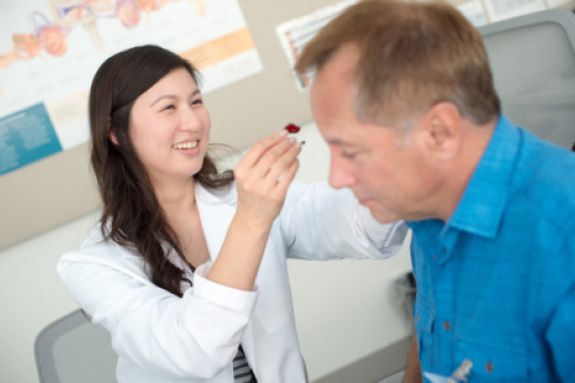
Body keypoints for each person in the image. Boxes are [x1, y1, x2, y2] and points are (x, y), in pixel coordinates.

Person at [57, 45, 406, 383]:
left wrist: (391, 155)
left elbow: (360, 228)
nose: (192, 121)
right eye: (168, 108)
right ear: (115, 133)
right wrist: (251, 220)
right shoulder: (92, 264)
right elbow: (194, 351)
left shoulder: (242, 198)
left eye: (196, 101)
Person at [295, 0, 575, 382]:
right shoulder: (429, 213)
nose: (337, 178)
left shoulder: (560, 239)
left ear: (439, 132)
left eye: (352, 152)